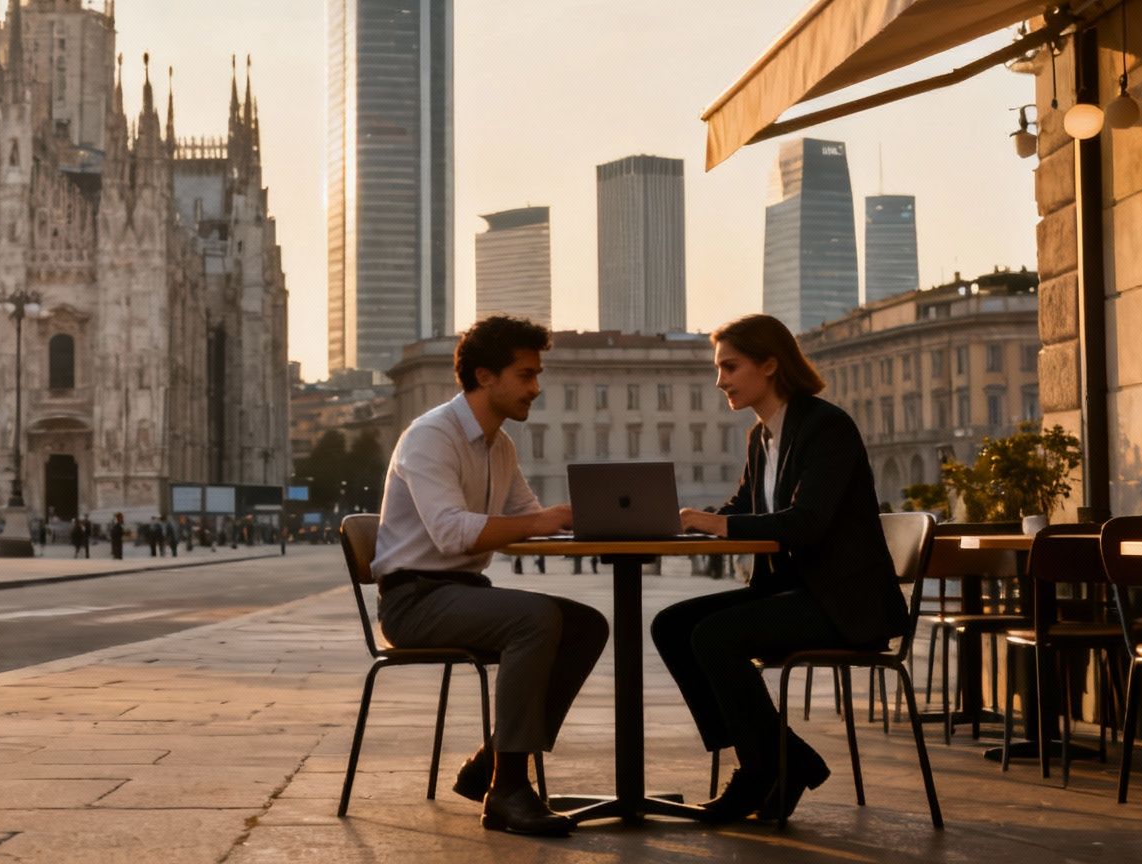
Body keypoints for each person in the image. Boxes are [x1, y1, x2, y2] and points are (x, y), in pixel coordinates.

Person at [649, 314, 908, 824]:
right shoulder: (762, 437)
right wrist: (681, 523)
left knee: (714, 637)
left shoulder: (826, 427)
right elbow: (743, 508)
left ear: (770, 365)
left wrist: (714, 525)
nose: (719, 379)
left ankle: (760, 767)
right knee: (672, 626)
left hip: (841, 604)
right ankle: (780, 758)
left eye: (730, 366)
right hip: (795, 593)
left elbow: (806, 522)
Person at [370, 315, 609, 838]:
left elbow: (528, 517)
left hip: (461, 593)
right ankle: (508, 789)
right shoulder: (431, 436)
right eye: (525, 375)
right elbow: (452, 534)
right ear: (485, 377)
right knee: (535, 619)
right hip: (414, 602)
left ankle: (490, 762)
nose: (536, 388)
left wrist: (590, 518)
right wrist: (541, 520)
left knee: (588, 625)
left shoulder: (499, 445)